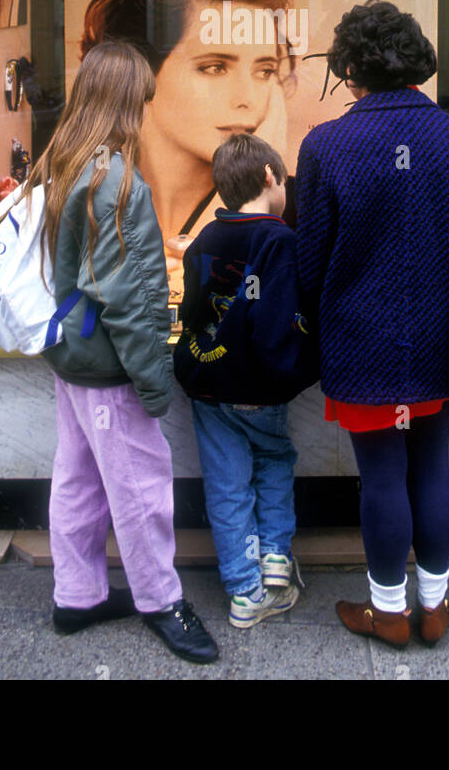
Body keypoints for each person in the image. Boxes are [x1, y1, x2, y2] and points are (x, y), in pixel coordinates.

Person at [0, 39, 218, 664]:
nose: (147, 114)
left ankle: (76, 595)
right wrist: (156, 380)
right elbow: (127, 301)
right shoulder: (117, 183)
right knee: (139, 486)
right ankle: (162, 602)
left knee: (78, 478)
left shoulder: (65, 160)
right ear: (127, 102)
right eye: (143, 102)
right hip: (105, 367)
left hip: (70, 355)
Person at [294, 0, 449, 649]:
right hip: (441, 339)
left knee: (382, 475)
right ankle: (435, 606)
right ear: (415, 60)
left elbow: (309, 261)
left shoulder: (325, 144)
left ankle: (388, 612)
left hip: (360, 343)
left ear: (352, 68)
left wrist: (312, 327)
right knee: (431, 469)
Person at [173, 133, 318, 629]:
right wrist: (304, 368)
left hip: (209, 383)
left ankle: (243, 590)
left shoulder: (205, 239)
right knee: (273, 462)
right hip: (258, 386)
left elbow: (194, 310)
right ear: (269, 177)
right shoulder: (280, 239)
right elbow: (276, 326)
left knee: (226, 484)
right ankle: (276, 563)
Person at [78, 0, 300, 307]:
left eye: (265, 71)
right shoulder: (90, 195)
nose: (248, 99)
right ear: (140, 73)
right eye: (215, 67)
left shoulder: (290, 210)